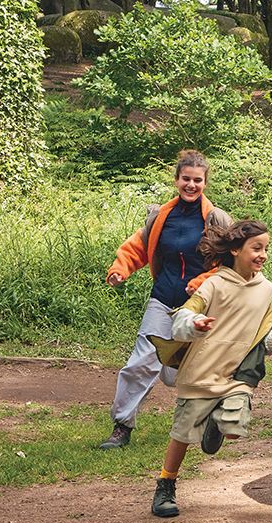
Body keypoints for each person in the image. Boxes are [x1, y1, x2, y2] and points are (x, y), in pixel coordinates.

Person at [147, 219, 272, 518]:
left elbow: (265, 326)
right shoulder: (214, 284)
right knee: (182, 434)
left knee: (234, 429)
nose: (263, 254)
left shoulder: (266, 288)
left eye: (266, 249)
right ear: (235, 249)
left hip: (238, 372)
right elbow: (184, 315)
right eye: (256, 248)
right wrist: (194, 324)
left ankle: (217, 423)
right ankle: (166, 485)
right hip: (203, 370)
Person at [97, 151, 233, 449]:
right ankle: (122, 426)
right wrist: (121, 270)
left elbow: (229, 265)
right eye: (186, 179)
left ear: (205, 183)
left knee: (181, 373)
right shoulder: (161, 216)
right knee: (141, 363)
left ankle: (213, 415)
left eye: (198, 180)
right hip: (162, 299)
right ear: (176, 180)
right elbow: (138, 247)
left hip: (200, 305)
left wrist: (200, 283)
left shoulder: (216, 219)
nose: (191, 185)